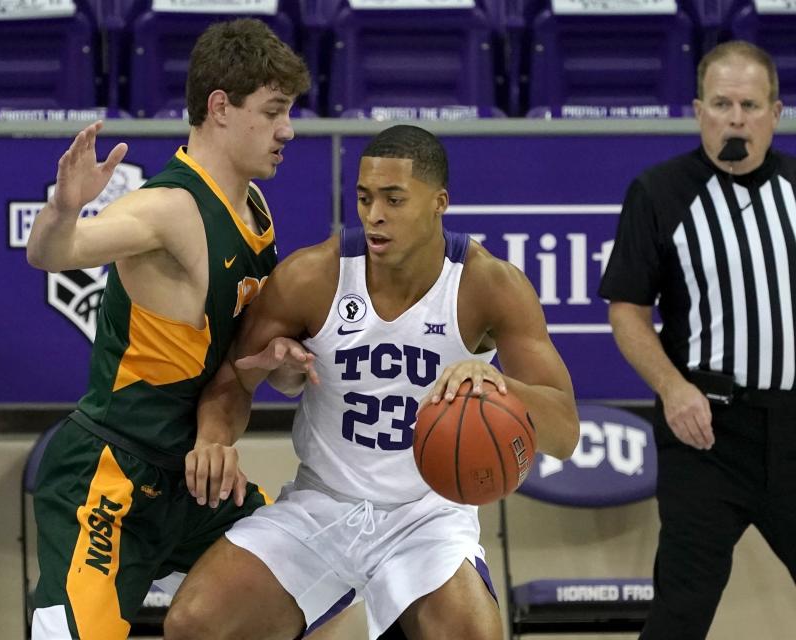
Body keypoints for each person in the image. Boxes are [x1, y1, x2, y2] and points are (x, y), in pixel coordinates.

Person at [162, 124, 580, 640]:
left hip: (427, 515)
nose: (374, 215)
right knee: (192, 624)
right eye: (364, 198)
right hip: (323, 503)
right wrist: (213, 437)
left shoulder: (488, 286)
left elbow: (564, 433)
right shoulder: (313, 277)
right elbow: (234, 379)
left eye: (394, 199)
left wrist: (498, 384)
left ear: (438, 202)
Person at [24, 18, 310, 639]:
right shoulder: (168, 208)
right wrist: (63, 209)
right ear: (220, 108)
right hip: (109, 477)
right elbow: (51, 254)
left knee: (314, 585)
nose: (288, 129)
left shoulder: (256, 210)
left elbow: (239, 370)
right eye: (274, 111)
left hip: (194, 482)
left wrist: (278, 366)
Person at [599, 41, 796, 640]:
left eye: (749, 104)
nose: (736, 118)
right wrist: (672, 387)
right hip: (706, 431)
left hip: (795, 428)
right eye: (721, 103)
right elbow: (627, 310)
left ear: (775, 113)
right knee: (681, 610)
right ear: (697, 111)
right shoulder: (659, 192)